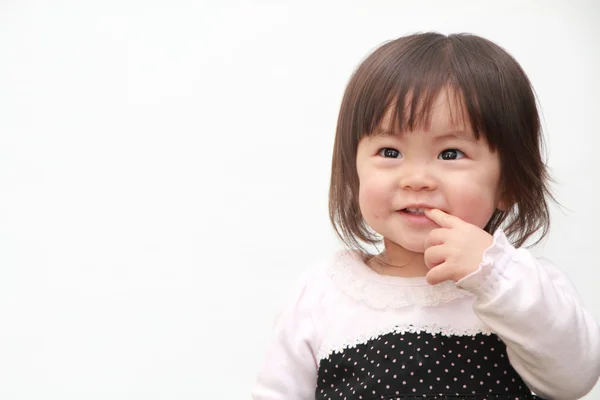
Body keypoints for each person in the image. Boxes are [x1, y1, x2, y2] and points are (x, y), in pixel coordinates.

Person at [251, 32, 600, 400]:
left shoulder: (520, 286)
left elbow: (574, 378)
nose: (417, 179)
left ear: (508, 183)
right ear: (353, 173)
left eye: (450, 154)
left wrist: (492, 274)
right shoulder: (321, 296)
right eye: (390, 151)